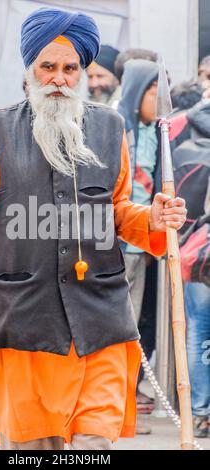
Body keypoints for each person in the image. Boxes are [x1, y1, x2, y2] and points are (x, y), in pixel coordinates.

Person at [0, 8, 186, 451]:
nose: (59, 79)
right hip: (24, 326)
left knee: (93, 447)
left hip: (99, 323)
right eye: (47, 67)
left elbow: (117, 210)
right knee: (33, 452)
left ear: (84, 72)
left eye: (70, 68)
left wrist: (152, 219)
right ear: (29, 71)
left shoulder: (110, 128)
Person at [118, 59, 163, 433]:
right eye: (152, 92)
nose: (158, 99)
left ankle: (124, 404)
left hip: (140, 247)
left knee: (132, 327)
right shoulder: (118, 129)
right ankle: (117, 407)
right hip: (116, 247)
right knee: (120, 329)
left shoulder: (154, 131)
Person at [170, 99, 210, 437]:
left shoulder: (183, 151)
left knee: (198, 329)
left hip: (196, 252)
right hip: (199, 249)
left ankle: (200, 411)